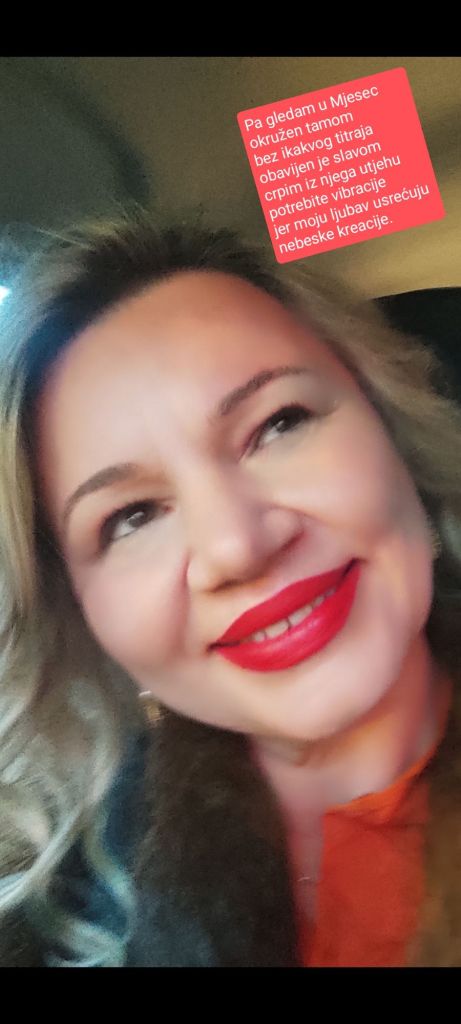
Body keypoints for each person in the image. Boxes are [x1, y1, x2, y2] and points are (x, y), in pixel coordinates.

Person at [0, 208, 460, 968]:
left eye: (278, 424)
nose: (235, 546)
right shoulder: (62, 916)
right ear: (81, 610)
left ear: (391, 429)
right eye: (132, 517)